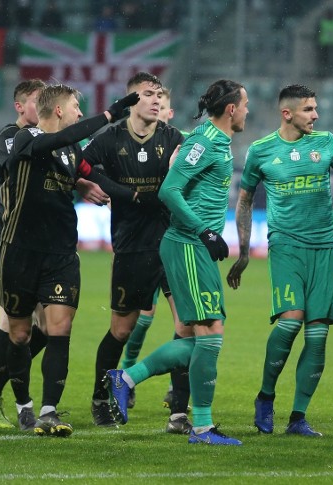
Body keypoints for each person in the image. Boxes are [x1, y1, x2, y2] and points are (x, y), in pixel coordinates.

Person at [226, 84, 333, 438]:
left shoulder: (327, 144)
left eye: (315, 108)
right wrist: (245, 251)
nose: (316, 115)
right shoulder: (261, 151)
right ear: (287, 113)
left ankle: (298, 417)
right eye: (309, 109)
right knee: (290, 321)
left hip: (325, 246)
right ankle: (265, 397)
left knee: (317, 335)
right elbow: (245, 202)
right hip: (286, 245)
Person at [107, 79, 249, 446]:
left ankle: (128, 379)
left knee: (190, 333)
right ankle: (200, 425)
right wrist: (204, 231)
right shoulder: (204, 143)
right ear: (231, 109)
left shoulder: (210, 139)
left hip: (195, 246)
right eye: (245, 104)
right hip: (187, 244)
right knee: (211, 335)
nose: (248, 111)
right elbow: (169, 190)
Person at [0, 83, 139, 437]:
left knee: (59, 329)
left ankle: (48, 411)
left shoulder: (72, 150)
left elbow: (95, 173)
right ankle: (23, 404)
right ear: (59, 110)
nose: (78, 111)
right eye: (75, 106)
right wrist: (108, 115)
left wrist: (136, 195)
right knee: (20, 333)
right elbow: (54, 141)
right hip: (18, 251)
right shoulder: (24, 138)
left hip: (60, 254)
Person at [82, 72, 189, 433]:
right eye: (148, 94)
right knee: (121, 330)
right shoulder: (110, 139)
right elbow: (80, 167)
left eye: (160, 94)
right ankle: (100, 398)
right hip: (130, 246)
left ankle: (179, 411)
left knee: (187, 326)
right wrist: (121, 192)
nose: (157, 100)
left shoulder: (173, 137)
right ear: (130, 101)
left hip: (172, 245)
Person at [0, 79, 49, 430]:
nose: (43, 107)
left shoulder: (46, 138)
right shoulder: (9, 136)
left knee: (48, 326)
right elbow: (18, 168)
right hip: (7, 235)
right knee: (10, 320)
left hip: (37, 239)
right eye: (37, 101)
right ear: (20, 106)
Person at [316, 8, 333, 78]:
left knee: (332, 61)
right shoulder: (323, 22)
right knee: (324, 61)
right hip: (325, 44)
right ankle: (324, 74)